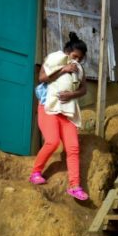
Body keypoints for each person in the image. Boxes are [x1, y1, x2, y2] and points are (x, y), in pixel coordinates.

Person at [29, 32, 89, 201]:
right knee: (52, 141)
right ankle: (35, 173)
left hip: (67, 112)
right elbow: (42, 78)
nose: (76, 61)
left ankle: (75, 186)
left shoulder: (80, 69)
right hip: (50, 109)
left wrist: (72, 95)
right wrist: (63, 69)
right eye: (74, 56)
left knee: (73, 148)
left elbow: (84, 90)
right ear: (67, 51)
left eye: (80, 58)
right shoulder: (55, 59)